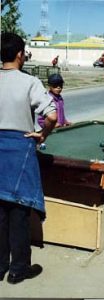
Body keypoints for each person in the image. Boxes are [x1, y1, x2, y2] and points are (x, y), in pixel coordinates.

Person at [0, 32, 57, 284]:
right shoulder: (30, 82)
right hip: (19, 148)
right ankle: (18, 269)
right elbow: (52, 115)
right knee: (20, 211)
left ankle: (0, 265)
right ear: (21, 55)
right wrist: (42, 134)